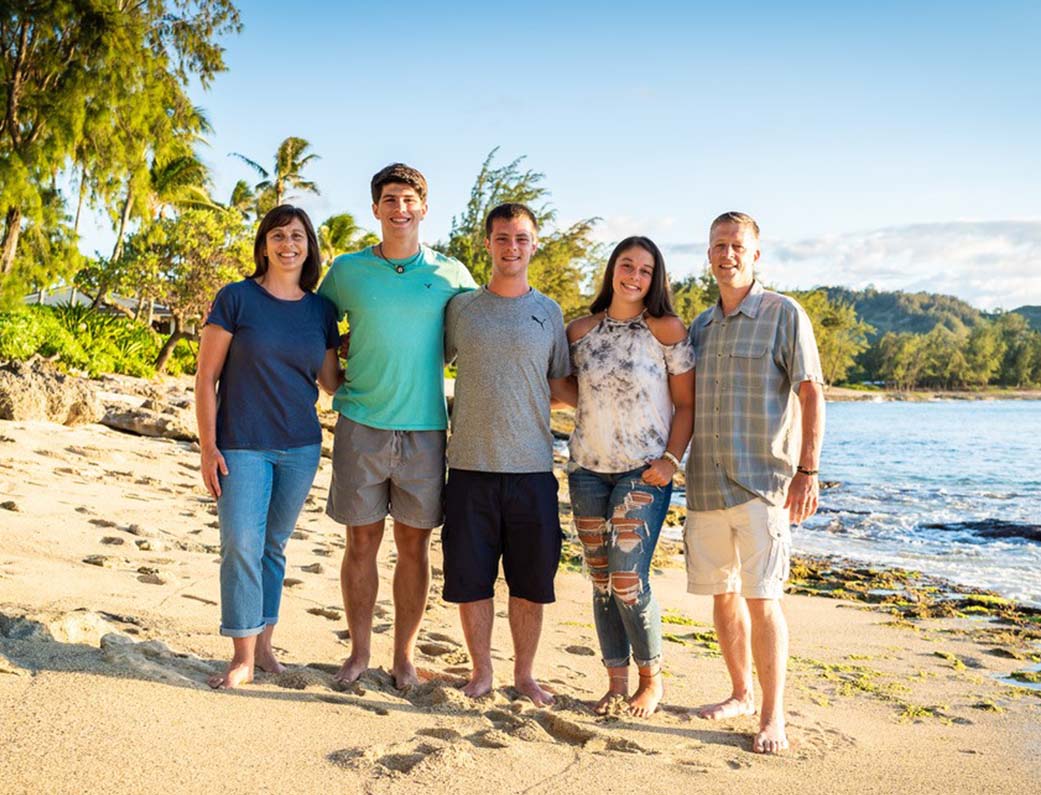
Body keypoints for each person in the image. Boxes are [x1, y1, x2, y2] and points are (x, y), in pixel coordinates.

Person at [318, 163, 477, 688]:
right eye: (389, 200)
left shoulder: (453, 275)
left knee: (415, 546)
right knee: (360, 543)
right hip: (360, 423)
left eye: (409, 200)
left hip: (427, 429)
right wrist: (332, 380)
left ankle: (403, 657)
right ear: (376, 209)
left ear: (424, 207)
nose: (400, 208)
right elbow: (314, 325)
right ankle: (359, 653)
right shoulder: (346, 270)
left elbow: (473, 340)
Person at [684, 211, 825, 753]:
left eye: (737, 246)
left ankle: (773, 716)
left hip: (763, 482)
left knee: (764, 597)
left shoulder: (784, 314)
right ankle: (740, 692)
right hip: (705, 484)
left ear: (756, 254)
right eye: (719, 245)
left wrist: (807, 471)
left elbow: (811, 394)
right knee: (722, 595)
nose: (727, 255)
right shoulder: (701, 326)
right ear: (709, 253)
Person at [196, 205, 342, 690]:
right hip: (240, 446)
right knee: (240, 543)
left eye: (297, 236)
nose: (288, 244)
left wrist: (367, 343)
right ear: (263, 245)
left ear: (309, 246)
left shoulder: (320, 310)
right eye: (278, 235)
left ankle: (264, 646)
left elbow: (330, 383)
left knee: (273, 548)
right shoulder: (236, 298)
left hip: (300, 447)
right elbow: (205, 377)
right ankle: (241, 655)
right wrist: (207, 447)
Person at [442, 203, 570, 706]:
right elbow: (423, 353)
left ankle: (524, 674)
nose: (511, 247)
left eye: (520, 238)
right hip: (470, 466)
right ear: (488, 244)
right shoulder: (462, 309)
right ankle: (481, 672)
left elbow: (560, 385)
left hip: (533, 470)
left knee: (531, 583)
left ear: (534, 244)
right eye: (502, 238)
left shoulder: (550, 312)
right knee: (471, 580)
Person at [561, 237, 695, 717]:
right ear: (611, 269)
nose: (634, 276)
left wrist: (671, 459)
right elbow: (565, 390)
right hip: (587, 471)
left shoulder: (666, 330)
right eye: (626, 265)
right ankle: (615, 683)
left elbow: (686, 405)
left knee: (626, 579)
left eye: (644, 269)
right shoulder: (579, 329)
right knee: (599, 579)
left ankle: (650, 680)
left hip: (644, 472)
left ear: (655, 277)